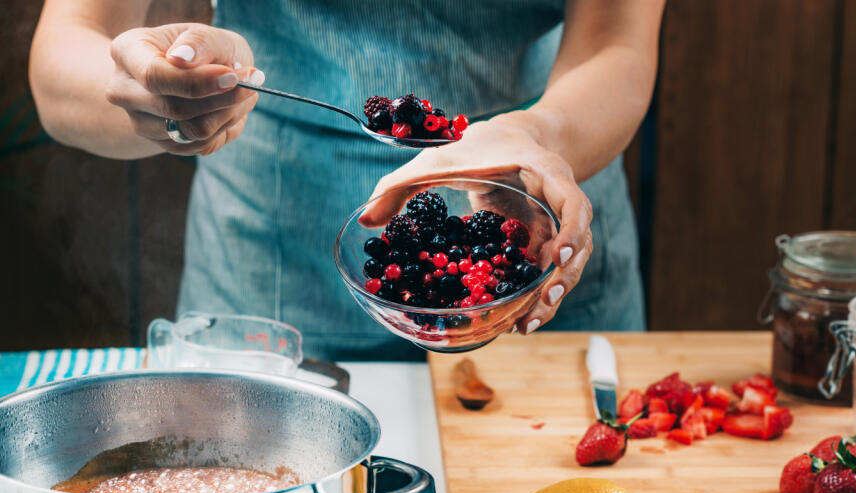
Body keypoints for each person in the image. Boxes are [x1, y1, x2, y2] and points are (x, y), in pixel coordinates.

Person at [29, 0, 665, 361]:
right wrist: (160, 93)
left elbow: (619, 44)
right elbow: (62, 64)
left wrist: (540, 135)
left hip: (532, 217)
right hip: (275, 255)